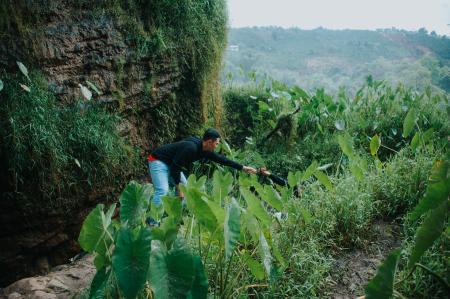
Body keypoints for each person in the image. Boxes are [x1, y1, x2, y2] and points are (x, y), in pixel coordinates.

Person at [148, 128, 257, 207]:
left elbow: (222, 159)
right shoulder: (191, 148)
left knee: (186, 191)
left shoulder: (204, 149)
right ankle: (152, 223)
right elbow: (175, 168)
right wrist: (178, 188)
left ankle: (175, 218)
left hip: (172, 163)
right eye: (217, 143)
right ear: (209, 142)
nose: (217, 146)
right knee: (163, 190)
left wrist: (243, 167)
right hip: (159, 160)